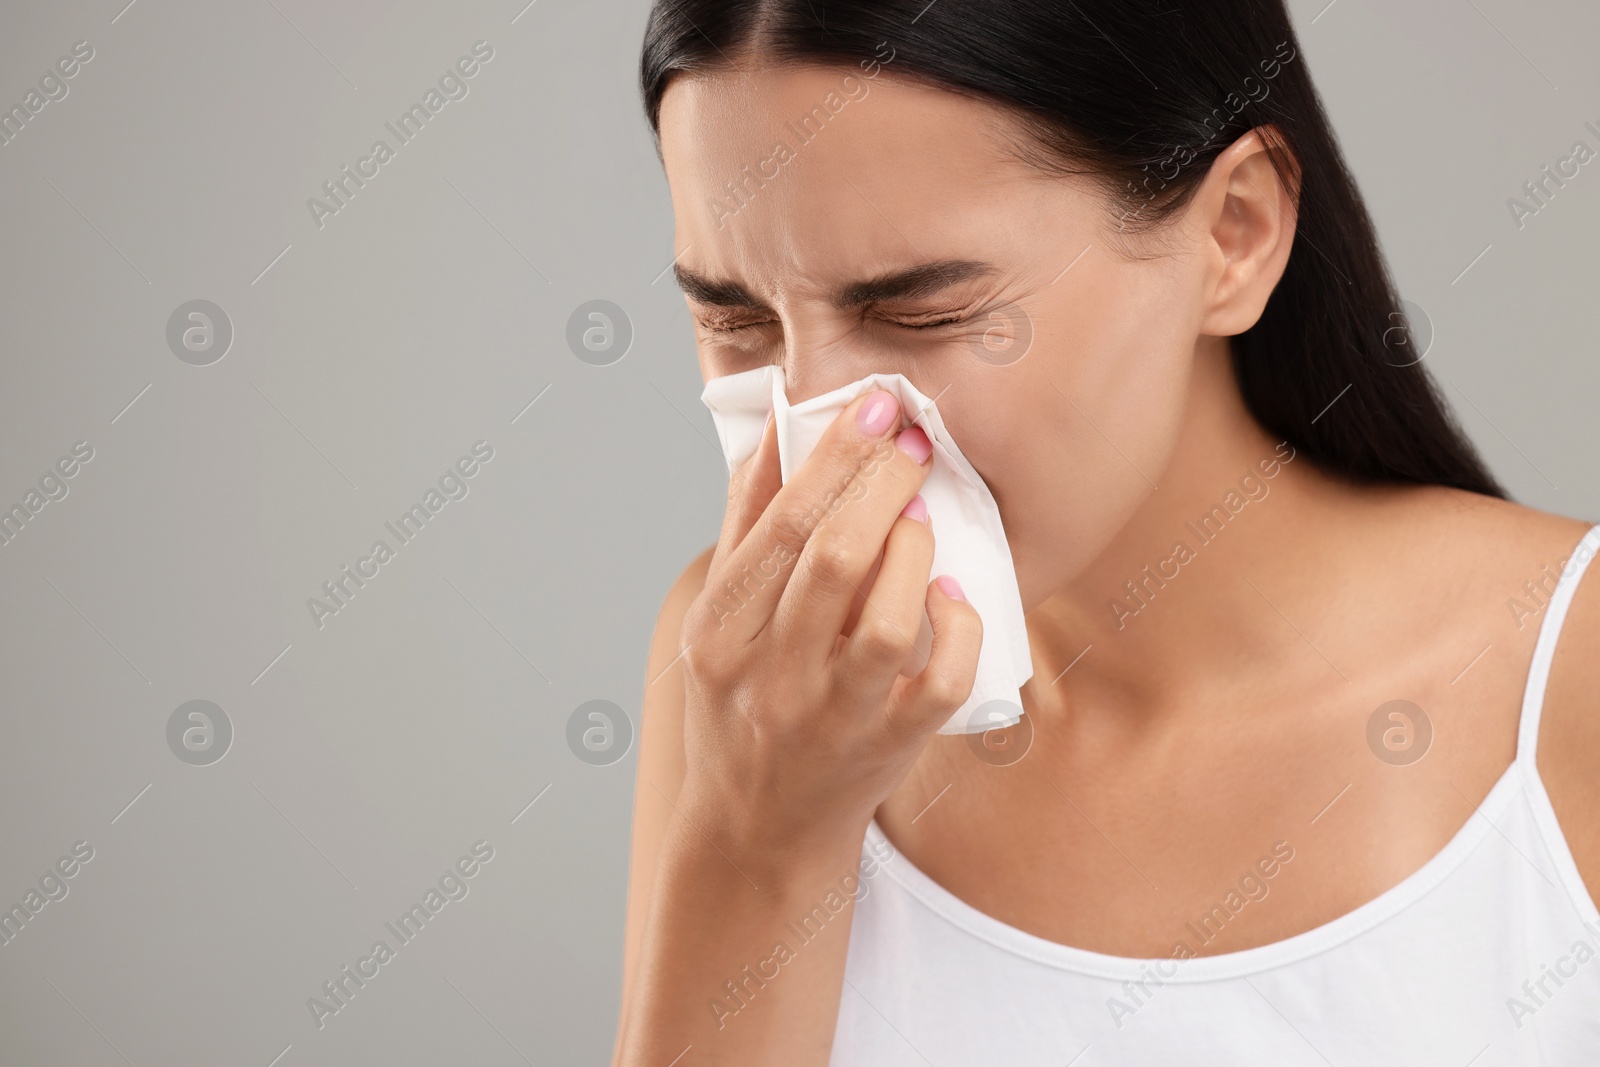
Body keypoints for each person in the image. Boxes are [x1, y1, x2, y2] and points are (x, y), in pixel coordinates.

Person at [614, 2, 1600, 1063]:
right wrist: (758, 839)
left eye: (924, 313)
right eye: (735, 321)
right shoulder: (748, 672)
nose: (817, 429)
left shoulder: (1565, 669)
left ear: (1235, 232)